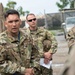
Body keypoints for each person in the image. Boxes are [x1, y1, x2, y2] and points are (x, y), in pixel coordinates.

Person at [0, 9, 36, 75]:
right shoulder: (1, 40)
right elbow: (1, 64)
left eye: (16, 21)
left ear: (20, 21)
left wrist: (33, 69)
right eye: (10, 22)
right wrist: (23, 71)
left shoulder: (27, 36)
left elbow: (35, 54)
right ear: (5, 24)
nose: (14, 24)